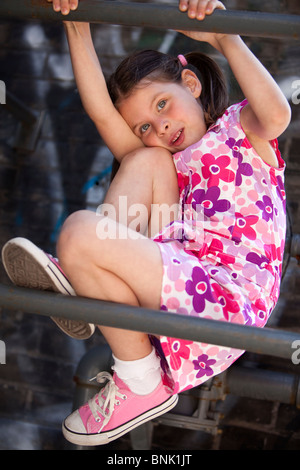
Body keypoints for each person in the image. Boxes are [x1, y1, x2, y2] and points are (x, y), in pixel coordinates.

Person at [1, 0, 291, 447]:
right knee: (141, 164)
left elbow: (277, 115)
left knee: (82, 230)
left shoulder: (241, 129)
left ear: (191, 84)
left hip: (225, 299)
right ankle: (102, 303)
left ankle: (138, 378)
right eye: (143, 125)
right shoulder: (167, 165)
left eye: (163, 104)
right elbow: (101, 112)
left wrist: (223, 36)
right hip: (182, 277)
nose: (160, 127)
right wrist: (75, 24)